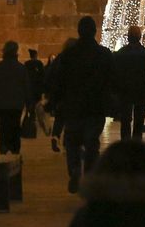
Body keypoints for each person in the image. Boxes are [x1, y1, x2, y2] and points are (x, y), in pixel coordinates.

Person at [50, 17, 116, 193]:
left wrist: (55, 103)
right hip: (95, 107)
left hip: (73, 107)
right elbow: (112, 80)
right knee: (92, 142)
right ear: (94, 31)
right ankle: (89, 173)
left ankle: (74, 169)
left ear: (79, 31)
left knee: (72, 142)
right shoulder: (104, 54)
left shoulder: (67, 56)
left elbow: (58, 82)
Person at [111, 25, 145, 142]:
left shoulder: (120, 54)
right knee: (139, 121)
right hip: (141, 89)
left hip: (125, 90)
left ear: (128, 37)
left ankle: (126, 144)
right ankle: (136, 144)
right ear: (139, 37)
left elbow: (115, 73)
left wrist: (115, 89)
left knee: (125, 121)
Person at [0, 40, 30, 155]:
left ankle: (3, 148)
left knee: (2, 129)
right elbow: (26, 86)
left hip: (1, 104)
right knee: (14, 128)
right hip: (16, 104)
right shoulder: (21, 68)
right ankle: (15, 151)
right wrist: (29, 104)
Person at [22, 48, 46, 139]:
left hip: (29, 90)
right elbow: (43, 77)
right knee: (35, 108)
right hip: (37, 90)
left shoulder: (26, 64)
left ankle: (29, 126)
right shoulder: (39, 64)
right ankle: (31, 127)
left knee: (29, 108)